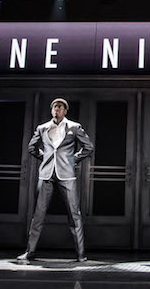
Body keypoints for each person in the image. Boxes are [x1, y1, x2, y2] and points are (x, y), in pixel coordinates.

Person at [17, 98, 94, 261]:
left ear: (65, 111)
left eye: (60, 107)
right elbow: (32, 147)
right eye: (54, 107)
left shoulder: (74, 127)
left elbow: (88, 147)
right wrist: (44, 157)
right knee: (38, 214)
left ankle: (81, 254)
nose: (56, 109)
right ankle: (30, 251)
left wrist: (73, 159)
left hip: (67, 174)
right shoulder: (42, 128)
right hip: (46, 174)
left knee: (74, 214)